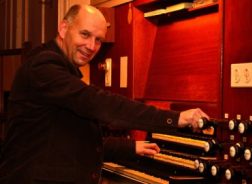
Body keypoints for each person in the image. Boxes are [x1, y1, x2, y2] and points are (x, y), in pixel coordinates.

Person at [0, 4, 209, 184]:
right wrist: (175, 118)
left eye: (98, 40)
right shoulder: (43, 66)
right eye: (85, 34)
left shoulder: (60, 70)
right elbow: (100, 103)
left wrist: (130, 147)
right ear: (64, 28)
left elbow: (72, 137)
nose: (91, 46)